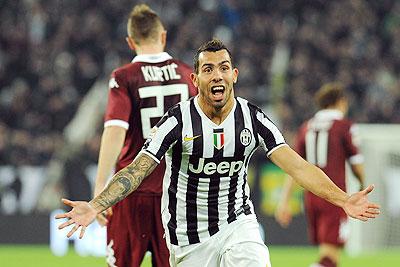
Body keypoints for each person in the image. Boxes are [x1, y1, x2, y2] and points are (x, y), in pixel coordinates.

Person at [56, 39, 379, 267]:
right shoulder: (177, 120)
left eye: (223, 67)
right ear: (195, 80)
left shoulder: (252, 118)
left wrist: (342, 198)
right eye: (208, 69)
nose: (217, 75)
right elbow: (136, 170)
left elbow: (297, 166)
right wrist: (95, 205)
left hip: (238, 223)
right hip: (188, 237)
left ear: (234, 75)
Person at [93, 4, 197, 267]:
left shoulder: (123, 77)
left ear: (130, 42)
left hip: (132, 191)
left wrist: (101, 188)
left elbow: (115, 130)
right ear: (163, 36)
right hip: (176, 195)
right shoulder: (189, 75)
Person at [275, 82, 365, 267]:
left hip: (312, 197)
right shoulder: (344, 126)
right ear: (341, 102)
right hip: (335, 195)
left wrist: (284, 200)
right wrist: (362, 184)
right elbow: (356, 164)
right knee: (330, 258)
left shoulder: (306, 127)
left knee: (327, 252)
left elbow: (294, 168)